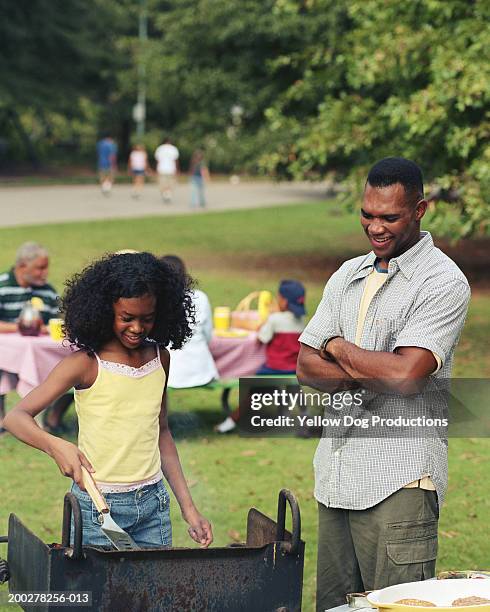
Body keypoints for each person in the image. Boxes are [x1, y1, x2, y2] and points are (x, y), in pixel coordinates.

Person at [296, 158, 470, 611]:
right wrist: (371, 365)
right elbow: (305, 367)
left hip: (400, 480)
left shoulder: (442, 281)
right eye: (367, 214)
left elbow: (406, 376)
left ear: (419, 210)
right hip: (337, 474)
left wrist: (334, 344)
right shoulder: (348, 273)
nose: (375, 227)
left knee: (396, 606)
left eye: (389, 217)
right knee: (335, 607)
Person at [3, 252, 213, 549]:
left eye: (147, 318)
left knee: (150, 593)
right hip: (96, 507)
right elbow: (15, 417)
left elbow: (161, 431)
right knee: (97, 595)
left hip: (153, 503)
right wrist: (56, 446)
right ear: (104, 310)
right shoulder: (86, 364)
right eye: (126, 318)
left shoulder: (160, 358)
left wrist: (189, 509)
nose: (138, 328)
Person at [216, 280, 306, 433]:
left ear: (283, 301)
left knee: (252, 392)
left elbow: (261, 338)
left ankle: (230, 422)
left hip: (274, 369)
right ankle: (305, 419)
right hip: (294, 369)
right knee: (296, 390)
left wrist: (261, 326)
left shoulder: (275, 320)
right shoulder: (303, 321)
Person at [0, 242, 68, 434]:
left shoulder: (47, 291)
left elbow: (59, 321)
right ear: (22, 266)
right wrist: (19, 327)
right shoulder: (2, 286)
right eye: (40, 268)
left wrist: (47, 328)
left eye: (46, 267)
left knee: (75, 362)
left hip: (39, 349)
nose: (45, 273)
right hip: (7, 351)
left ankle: (53, 419)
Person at [161, 255, 218, 388]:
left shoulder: (155, 301)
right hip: (202, 371)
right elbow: (208, 336)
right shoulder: (200, 298)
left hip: (168, 373)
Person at [154, 137, 179, 203]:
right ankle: (168, 194)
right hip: (171, 168)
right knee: (170, 183)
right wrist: (177, 169)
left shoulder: (160, 148)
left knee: (162, 183)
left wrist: (156, 168)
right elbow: (176, 160)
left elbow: (158, 160)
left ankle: (165, 194)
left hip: (161, 168)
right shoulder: (173, 149)